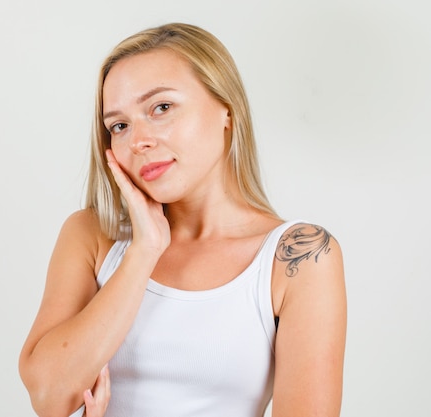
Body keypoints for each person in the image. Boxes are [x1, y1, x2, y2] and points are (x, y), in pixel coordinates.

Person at [18, 22, 347, 417]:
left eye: (161, 108)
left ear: (227, 109)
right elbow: (49, 397)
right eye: (119, 126)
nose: (138, 140)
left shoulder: (298, 258)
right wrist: (144, 251)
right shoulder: (91, 235)